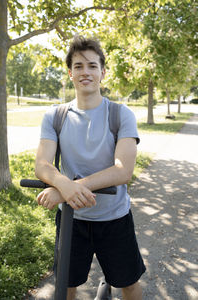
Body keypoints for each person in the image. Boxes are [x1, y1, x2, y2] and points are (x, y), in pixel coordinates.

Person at [35, 35, 146, 300]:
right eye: (78, 66)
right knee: (66, 285)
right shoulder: (55, 116)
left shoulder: (120, 114)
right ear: (70, 74)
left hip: (115, 218)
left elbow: (123, 171)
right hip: (72, 222)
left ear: (102, 73)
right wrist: (65, 186)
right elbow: (42, 164)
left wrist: (65, 191)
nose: (85, 72)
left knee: (128, 284)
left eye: (92, 66)